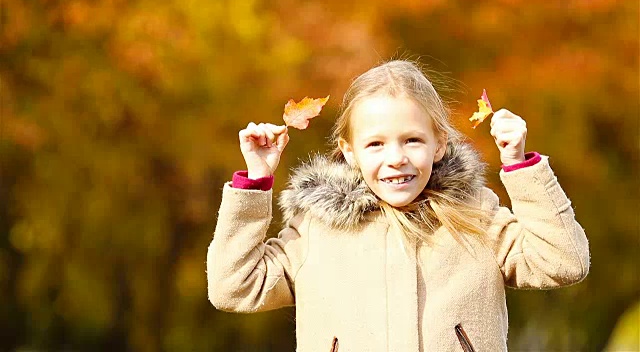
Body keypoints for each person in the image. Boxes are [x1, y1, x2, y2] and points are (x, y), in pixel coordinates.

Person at [206, 60, 590, 352]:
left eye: (412, 140)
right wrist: (255, 182)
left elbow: (565, 261)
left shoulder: (475, 214)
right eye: (375, 144)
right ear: (349, 152)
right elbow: (233, 287)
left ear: (439, 144)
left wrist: (521, 168)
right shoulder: (317, 228)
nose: (396, 158)